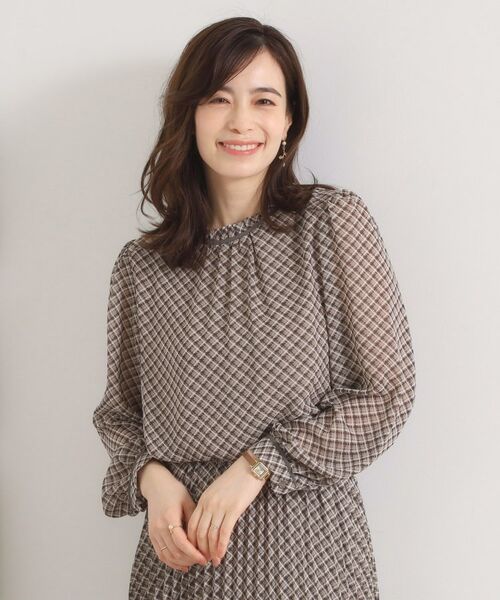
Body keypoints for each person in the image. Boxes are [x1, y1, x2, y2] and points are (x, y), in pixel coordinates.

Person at [92, 16, 416, 600]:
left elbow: (386, 394)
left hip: (306, 555)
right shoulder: (142, 266)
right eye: (219, 98)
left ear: (288, 120)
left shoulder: (331, 224)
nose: (241, 121)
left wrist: (255, 466)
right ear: (189, 114)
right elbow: (120, 415)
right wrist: (152, 478)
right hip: (177, 566)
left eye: (264, 100)